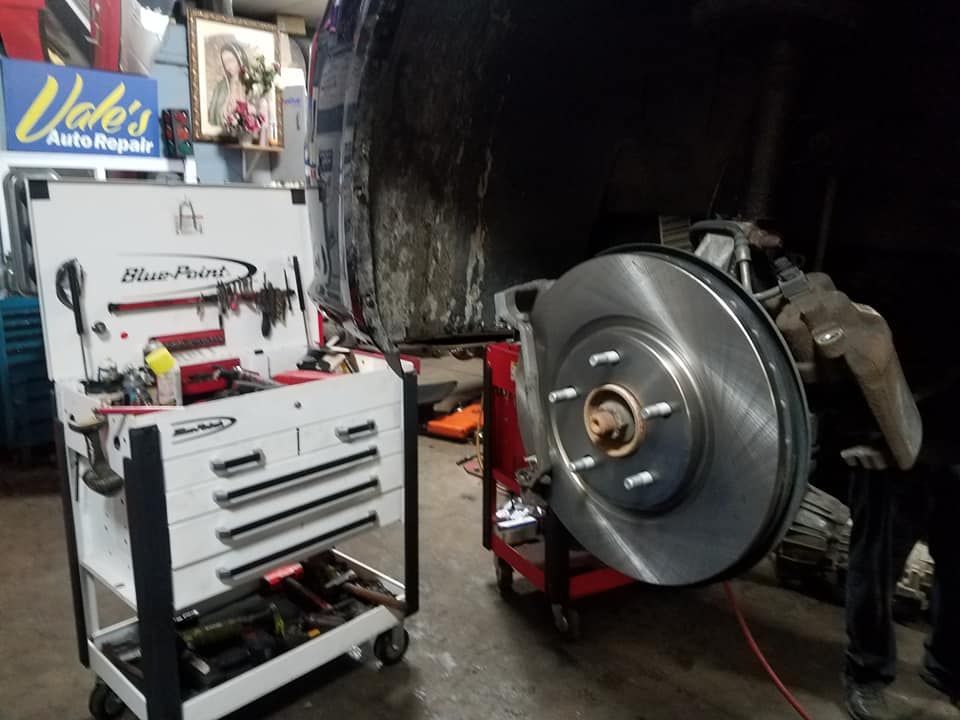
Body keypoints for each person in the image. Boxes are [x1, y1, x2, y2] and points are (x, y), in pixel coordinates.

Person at [843, 420, 960, 719]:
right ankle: (867, 671)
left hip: (952, 438)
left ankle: (946, 666)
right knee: (876, 563)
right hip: (891, 434)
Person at [207, 41, 248, 128]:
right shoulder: (220, 87)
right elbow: (213, 115)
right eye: (225, 62)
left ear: (240, 59)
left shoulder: (252, 83)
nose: (227, 66)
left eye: (230, 60)